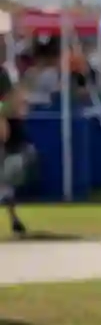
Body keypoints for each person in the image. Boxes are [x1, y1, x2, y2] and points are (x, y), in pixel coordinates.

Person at [0, 80, 35, 237]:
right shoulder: (6, 109)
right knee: (6, 188)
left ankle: (14, 220)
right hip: (9, 150)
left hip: (13, 151)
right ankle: (15, 221)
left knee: (7, 187)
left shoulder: (9, 109)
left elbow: (5, 135)